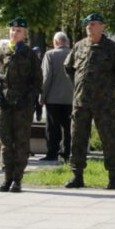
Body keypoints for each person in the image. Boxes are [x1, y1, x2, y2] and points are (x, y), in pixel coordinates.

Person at [63, 13, 115, 190]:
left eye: (93, 24)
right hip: (81, 102)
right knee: (78, 138)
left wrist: (107, 89)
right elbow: (69, 68)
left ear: (102, 26)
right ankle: (77, 175)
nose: (89, 27)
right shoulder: (79, 47)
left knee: (109, 139)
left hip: (104, 104)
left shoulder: (111, 48)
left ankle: (113, 177)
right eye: (87, 25)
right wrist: (79, 87)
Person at [0, 19, 41, 192]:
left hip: (22, 107)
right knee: (5, 142)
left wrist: (28, 99)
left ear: (24, 34)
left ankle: (17, 178)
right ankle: (6, 177)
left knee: (21, 142)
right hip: (4, 104)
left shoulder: (29, 54)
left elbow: (37, 81)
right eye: (12, 30)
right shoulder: (1, 52)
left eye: (18, 30)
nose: (14, 33)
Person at [40, 32, 73, 162]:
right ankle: (66, 153)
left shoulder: (50, 55)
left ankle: (52, 153)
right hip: (71, 97)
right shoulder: (74, 53)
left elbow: (46, 77)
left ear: (56, 42)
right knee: (68, 127)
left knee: (53, 127)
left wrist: (42, 96)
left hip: (53, 98)